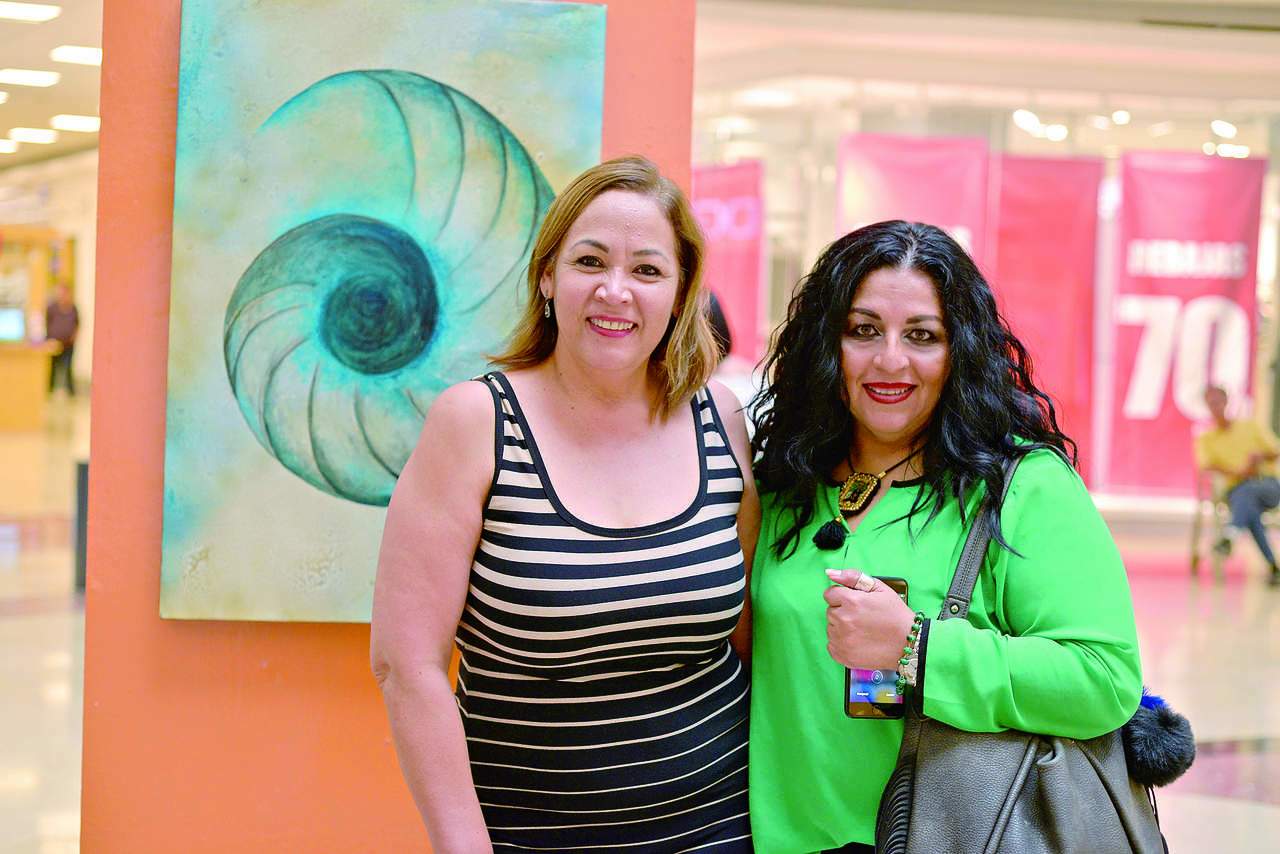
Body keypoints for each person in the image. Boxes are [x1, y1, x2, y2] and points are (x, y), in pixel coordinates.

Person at [370, 155, 758, 853]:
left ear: (680, 293)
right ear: (548, 277)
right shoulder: (475, 424)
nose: (615, 291)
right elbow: (407, 667)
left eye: (647, 270)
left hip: (723, 828)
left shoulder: (719, 418)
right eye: (589, 261)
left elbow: (748, 639)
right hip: (528, 835)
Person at [746, 221, 1142, 852]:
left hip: (954, 835)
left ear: (961, 350)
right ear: (828, 343)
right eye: (863, 330)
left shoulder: (1022, 487)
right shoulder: (784, 485)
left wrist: (917, 648)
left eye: (922, 335)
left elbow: (1104, 679)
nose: (890, 360)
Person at [1195, 385, 1280, 585]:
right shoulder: (1206, 439)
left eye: (1218, 401)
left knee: (1247, 493)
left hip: (1267, 486)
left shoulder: (1250, 427)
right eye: (1211, 403)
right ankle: (1273, 567)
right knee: (1250, 510)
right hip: (1236, 490)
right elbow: (1207, 466)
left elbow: (1275, 450)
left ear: (1226, 402)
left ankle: (1231, 534)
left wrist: (1259, 457)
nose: (1215, 406)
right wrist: (1239, 472)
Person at [45, 284, 79, 396]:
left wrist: (74, 337)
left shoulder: (73, 308)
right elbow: (47, 323)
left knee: (68, 367)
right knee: (52, 368)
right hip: (54, 343)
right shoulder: (52, 308)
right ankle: (49, 390)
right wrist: (48, 339)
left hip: (68, 344)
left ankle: (71, 391)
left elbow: (77, 324)